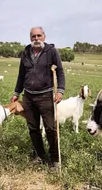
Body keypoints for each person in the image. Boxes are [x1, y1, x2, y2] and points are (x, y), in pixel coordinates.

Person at [10, 26, 65, 169]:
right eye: (33, 36)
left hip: (46, 96)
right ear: (30, 38)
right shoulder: (26, 52)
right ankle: (40, 155)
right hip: (28, 96)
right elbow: (21, 74)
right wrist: (17, 93)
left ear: (44, 37)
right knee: (33, 128)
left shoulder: (51, 51)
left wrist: (60, 91)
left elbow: (60, 72)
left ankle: (55, 159)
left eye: (39, 36)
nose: (36, 39)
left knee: (50, 128)